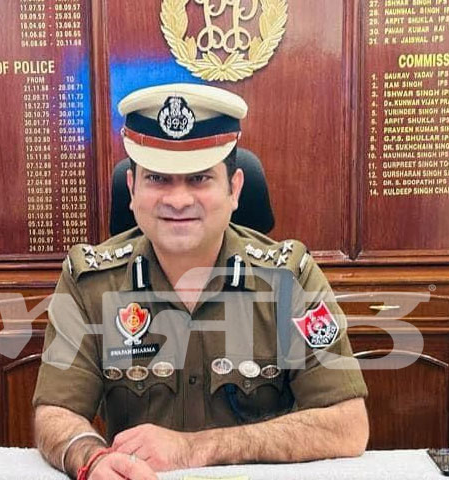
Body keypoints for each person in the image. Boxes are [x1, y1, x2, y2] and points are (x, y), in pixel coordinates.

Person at [33, 83, 369, 480]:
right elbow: (55, 413)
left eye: (199, 178)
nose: (178, 200)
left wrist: (194, 449)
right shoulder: (90, 281)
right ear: (132, 189)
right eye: (158, 178)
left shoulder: (289, 277)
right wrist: (91, 458)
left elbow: (348, 425)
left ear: (234, 189)